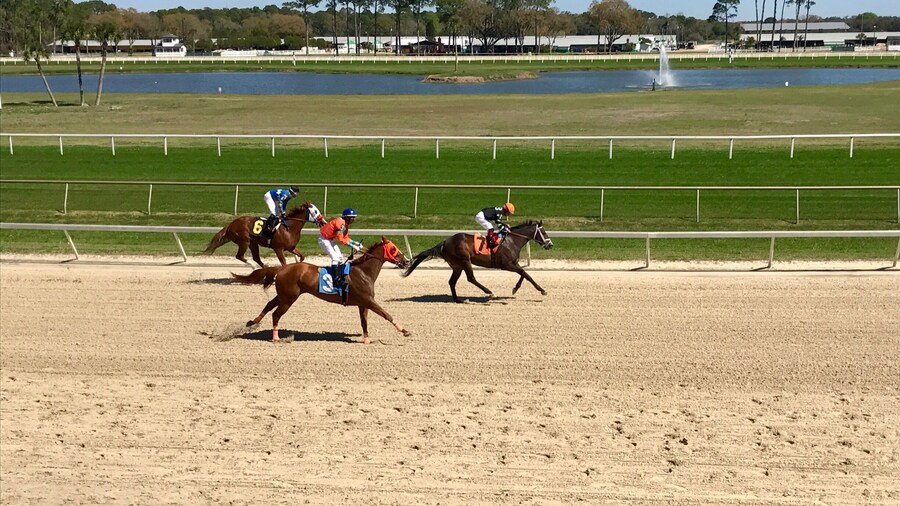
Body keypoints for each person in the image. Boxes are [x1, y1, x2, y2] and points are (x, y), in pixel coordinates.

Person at [318, 208, 363, 303]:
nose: (353, 220)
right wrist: (353, 246)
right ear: (347, 218)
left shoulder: (345, 224)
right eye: (352, 218)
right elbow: (341, 239)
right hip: (324, 240)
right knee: (335, 258)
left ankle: (340, 275)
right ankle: (336, 278)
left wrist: (355, 243)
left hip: (329, 239)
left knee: (340, 257)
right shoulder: (340, 223)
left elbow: (345, 237)